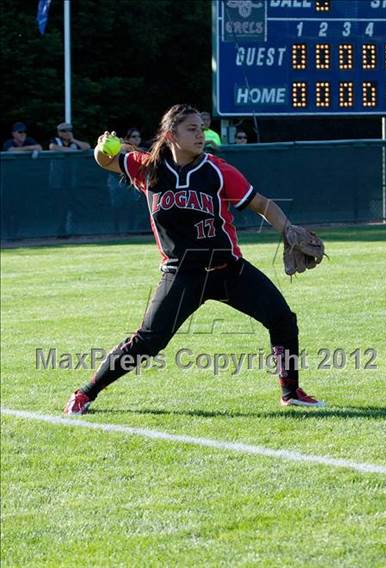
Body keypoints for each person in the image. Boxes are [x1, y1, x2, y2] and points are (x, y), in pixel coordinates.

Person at [64, 104, 324, 415]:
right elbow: (105, 160)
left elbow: (262, 204)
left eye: (201, 128)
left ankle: (290, 391)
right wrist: (102, 146)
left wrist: (288, 229)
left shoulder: (216, 170)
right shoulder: (148, 168)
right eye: (192, 129)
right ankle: (85, 393)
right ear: (172, 135)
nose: (200, 134)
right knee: (148, 341)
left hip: (227, 270)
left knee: (282, 319)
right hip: (181, 274)